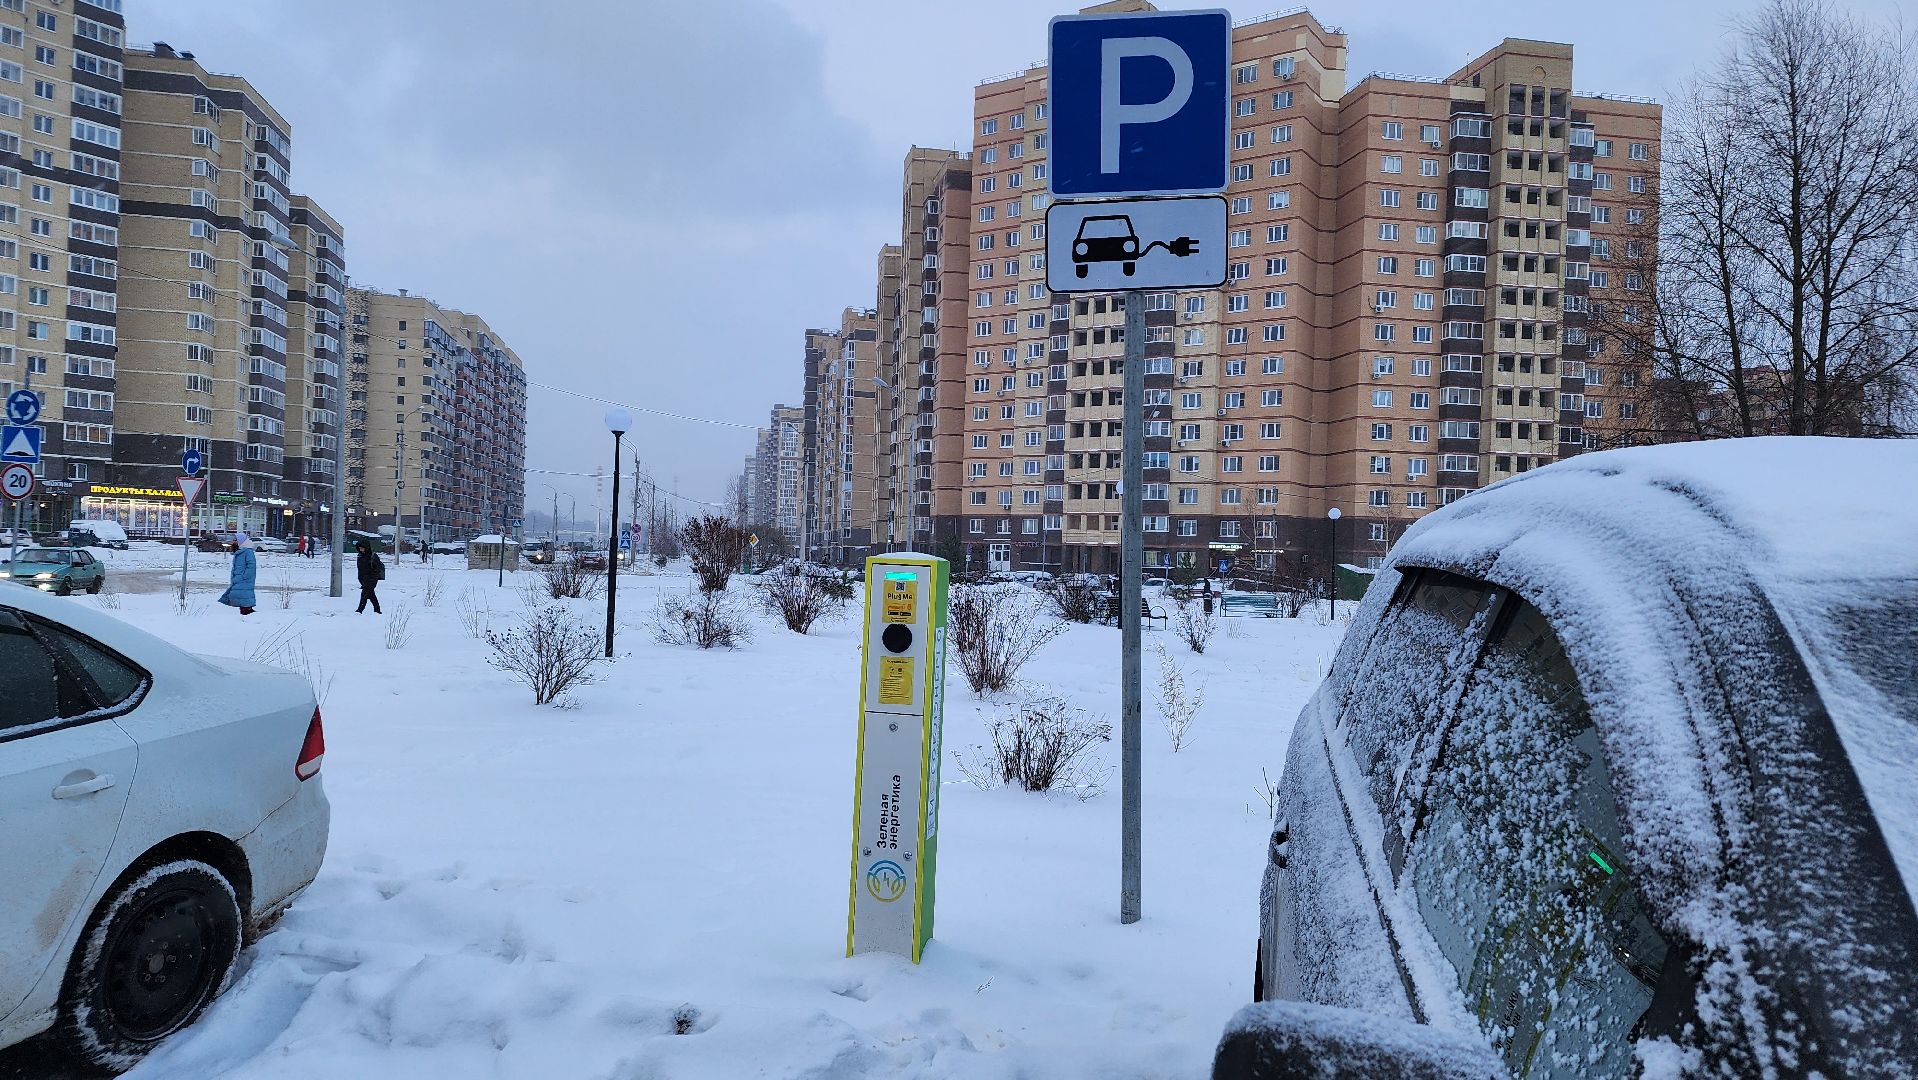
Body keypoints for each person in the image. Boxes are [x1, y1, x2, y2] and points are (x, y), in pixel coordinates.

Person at [218, 532, 258, 616]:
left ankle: (247, 613)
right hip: (238, 578)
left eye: (235, 540)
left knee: (243, 595)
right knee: (240, 595)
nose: (233, 542)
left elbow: (251, 565)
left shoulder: (247, 551)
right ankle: (246, 612)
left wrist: (245, 576)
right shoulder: (240, 551)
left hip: (244, 579)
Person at [355, 539, 385, 614]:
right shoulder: (360, 556)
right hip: (363, 579)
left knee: (364, 594)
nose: (361, 549)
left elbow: (377, 568)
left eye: (362, 547)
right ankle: (377, 610)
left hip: (371, 579)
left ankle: (359, 610)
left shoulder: (373, 556)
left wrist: (372, 576)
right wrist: (361, 579)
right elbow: (360, 569)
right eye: (359, 548)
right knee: (371, 595)